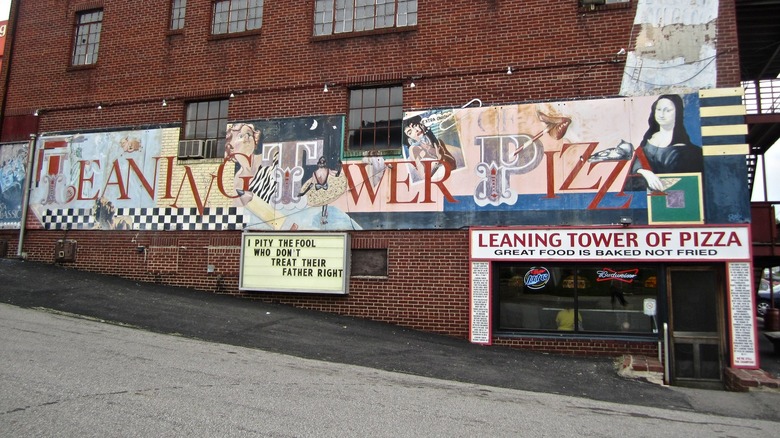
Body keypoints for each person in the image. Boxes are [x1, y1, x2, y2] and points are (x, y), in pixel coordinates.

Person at [623, 94, 703, 192]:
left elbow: (688, 183)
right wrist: (645, 172)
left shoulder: (690, 151)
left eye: (668, 110)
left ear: (677, 112)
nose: (661, 114)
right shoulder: (647, 142)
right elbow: (634, 170)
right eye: (659, 109)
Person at [403, 115, 456, 180]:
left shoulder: (438, 142)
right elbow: (424, 177)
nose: (416, 131)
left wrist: (443, 156)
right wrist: (438, 161)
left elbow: (453, 165)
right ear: (409, 139)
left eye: (415, 126)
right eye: (410, 132)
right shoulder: (414, 149)